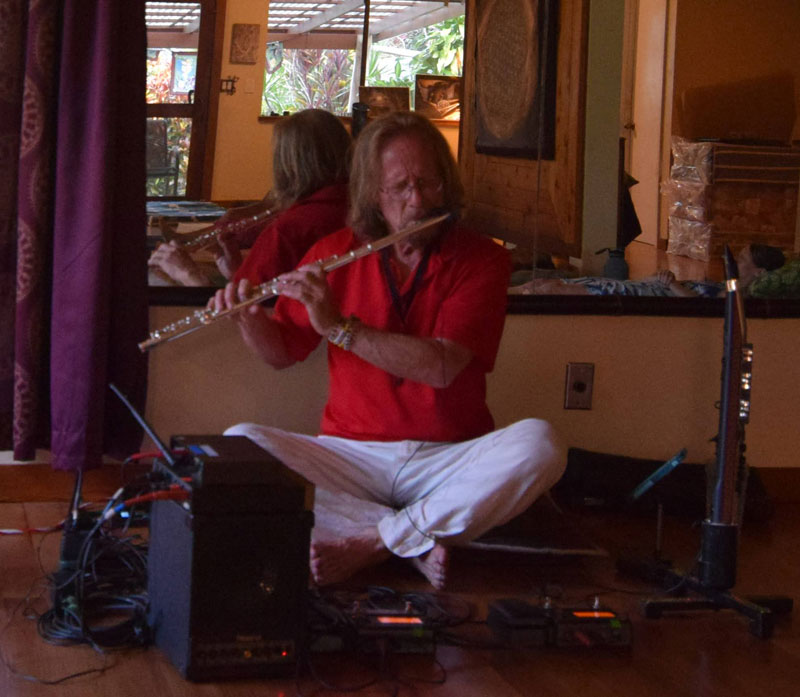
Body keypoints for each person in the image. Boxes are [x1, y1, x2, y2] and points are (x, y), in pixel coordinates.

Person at [213, 111, 565, 590]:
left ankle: (375, 542)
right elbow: (282, 354)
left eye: (427, 183)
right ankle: (416, 537)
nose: (417, 200)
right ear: (373, 196)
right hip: (351, 457)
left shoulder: (483, 258)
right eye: (399, 188)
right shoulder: (333, 252)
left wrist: (339, 328)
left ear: (446, 184)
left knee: (540, 444)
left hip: (447, 456)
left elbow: (441, 366)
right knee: (239, 442)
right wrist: (248, 319)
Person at [148, 109, 352, 286]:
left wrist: (188, 274)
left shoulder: (289, 230)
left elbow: (241, 317)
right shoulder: (357, 209)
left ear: (289, 166)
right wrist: (237, 273)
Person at [511, 244, 785, 298]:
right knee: (549, 280)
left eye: (744, 258)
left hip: (641, 295)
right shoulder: (724, 286)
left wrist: (671, 284)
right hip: (644, 287)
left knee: (555, 289)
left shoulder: (737, 298)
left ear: (760, 271)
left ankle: (499, 296)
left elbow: (697, 308)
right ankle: (502, 291)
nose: (736, 259)